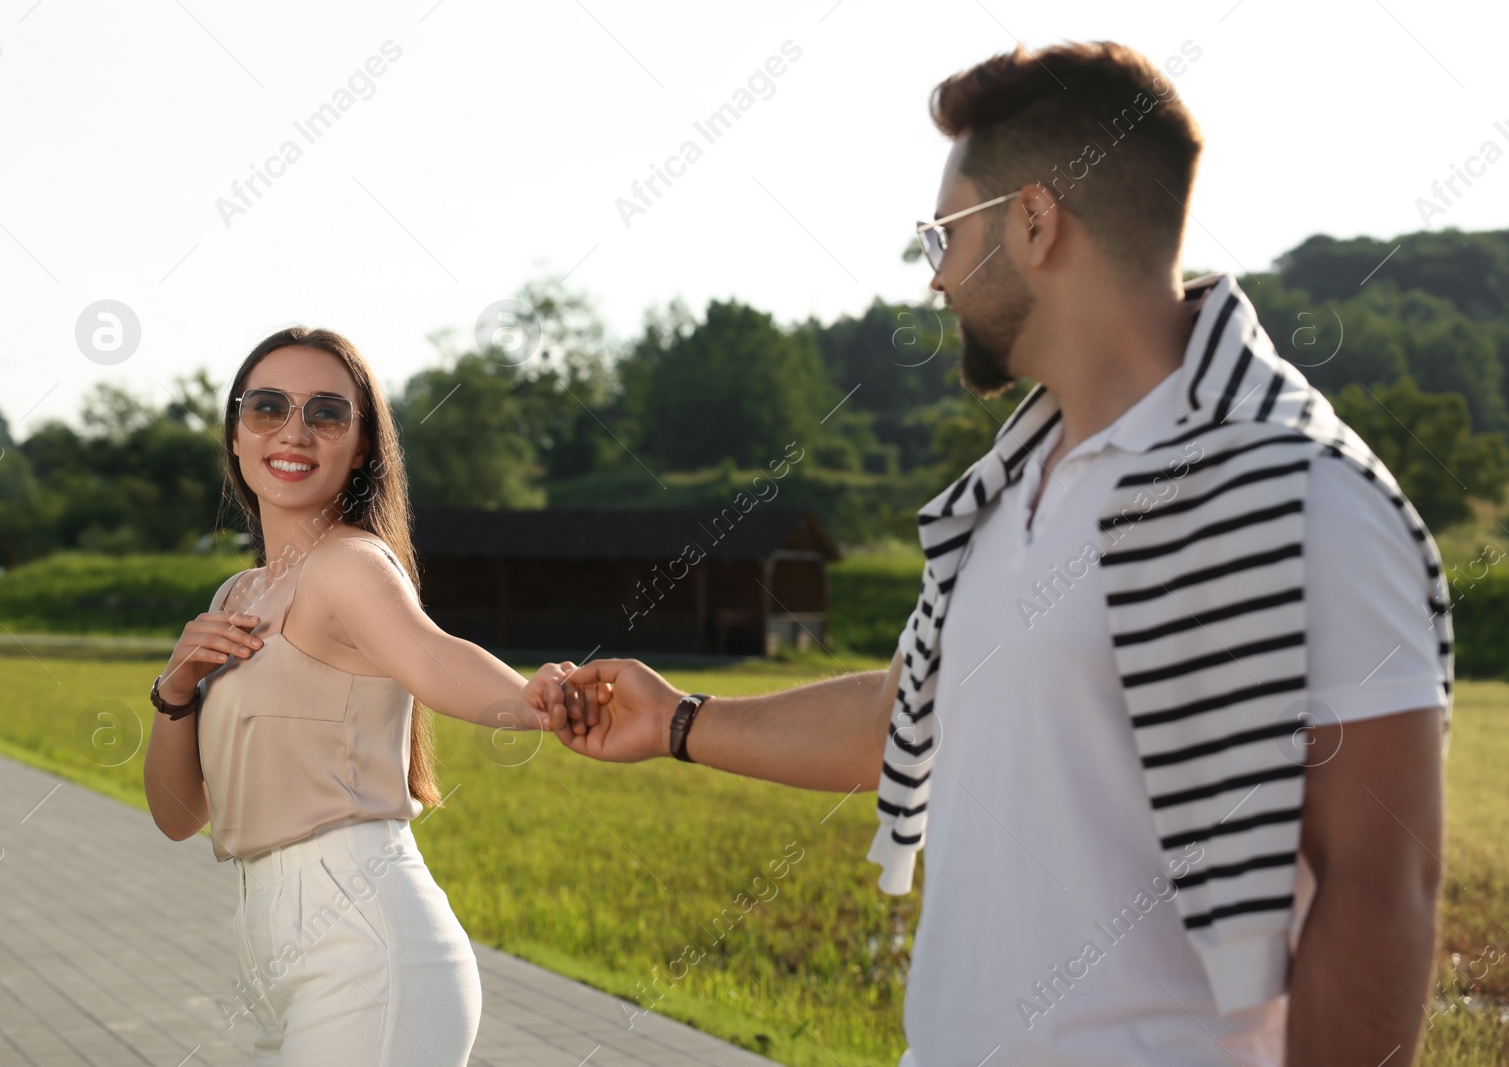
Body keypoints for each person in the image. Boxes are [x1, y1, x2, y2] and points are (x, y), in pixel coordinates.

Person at [545, 41, 1450, 1067]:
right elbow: (909, 714)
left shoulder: (1299, 493)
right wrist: (677, 720)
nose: (931, 272)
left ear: (1031, 221)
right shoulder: (1011, 486)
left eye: (942, 231)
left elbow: (1379, 884)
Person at [142, 326, 582, 1066]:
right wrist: (174, 692)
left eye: (326, 413)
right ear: (237, 436)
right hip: (268, 946)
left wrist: (532, 698)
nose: (294, 431)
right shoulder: (236, 594)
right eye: (268, 407)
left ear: (362, 445)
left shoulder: (347, 564)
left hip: (364, 941)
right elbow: (180, 817)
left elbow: (432, 657)